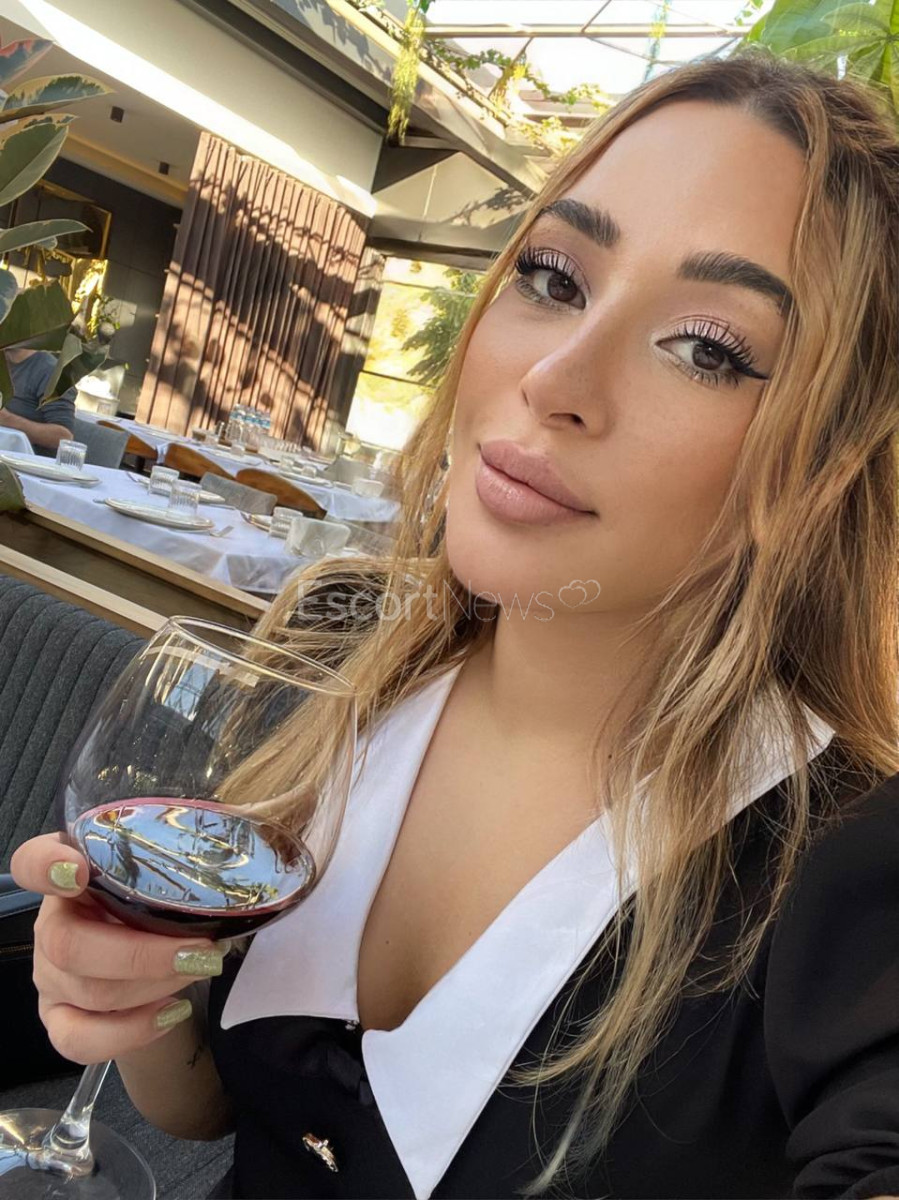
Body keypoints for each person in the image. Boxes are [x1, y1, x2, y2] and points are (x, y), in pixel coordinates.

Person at [10, 48, 899, 1199]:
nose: (554, 380)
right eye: (553, 277)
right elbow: (210, 1107)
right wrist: (129, 996)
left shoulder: (845, 865)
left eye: (706, 349)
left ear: (826, 466)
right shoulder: (342, 653)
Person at [0, 347, 76, 456]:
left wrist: (7, 419)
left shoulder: (51, 371)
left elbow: (64, 437)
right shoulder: (4, 362)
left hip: (25, 460)